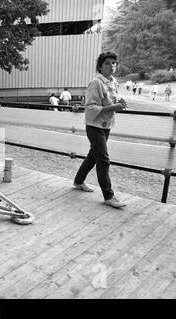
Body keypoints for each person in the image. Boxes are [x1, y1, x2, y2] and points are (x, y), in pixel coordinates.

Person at [73, 51, 128, 208]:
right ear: (100, 66)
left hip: (106, 125)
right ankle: (109, 196)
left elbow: (113, 99)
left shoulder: (113, 81)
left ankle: (78, 181)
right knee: (103, 160)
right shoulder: (95, 83)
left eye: (114, 63)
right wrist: (113, 107)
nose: (112, 66)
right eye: (107, 63)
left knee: (93, 156)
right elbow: (90, 108)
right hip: (94, 126)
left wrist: (120, 103)